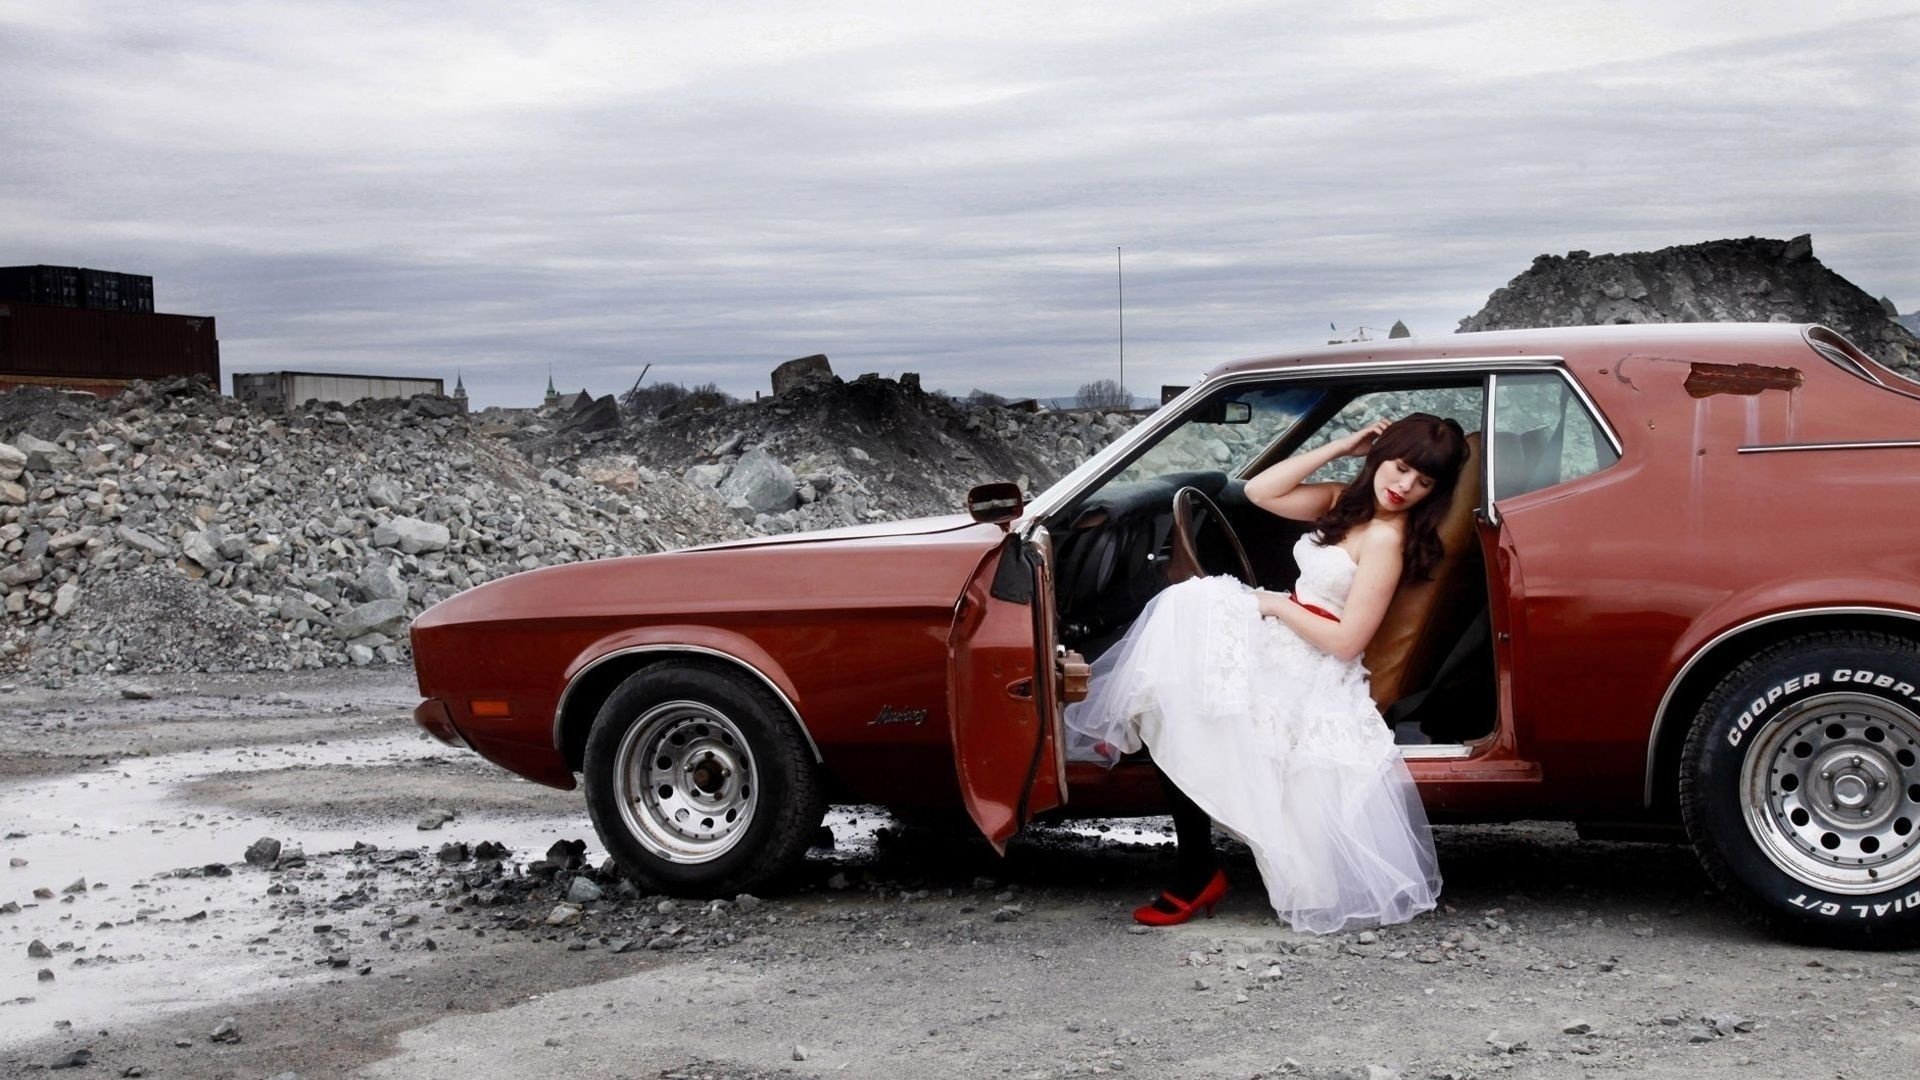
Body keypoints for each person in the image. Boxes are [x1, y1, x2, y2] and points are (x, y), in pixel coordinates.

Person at [1064, 413, 1471, 933]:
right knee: (1186, 620)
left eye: (1424, 482)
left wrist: (1273, 607)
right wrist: (1341, 445)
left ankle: (1193, 867)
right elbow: (1259, 491)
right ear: (1379, 458)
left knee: (1188, 645)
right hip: (1289, 635)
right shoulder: (1344, 505)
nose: (1405, 487)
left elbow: (1346, 643)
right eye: (1399, 467)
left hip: (1316, 662)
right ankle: (1169, 816)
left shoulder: (1386, 540)